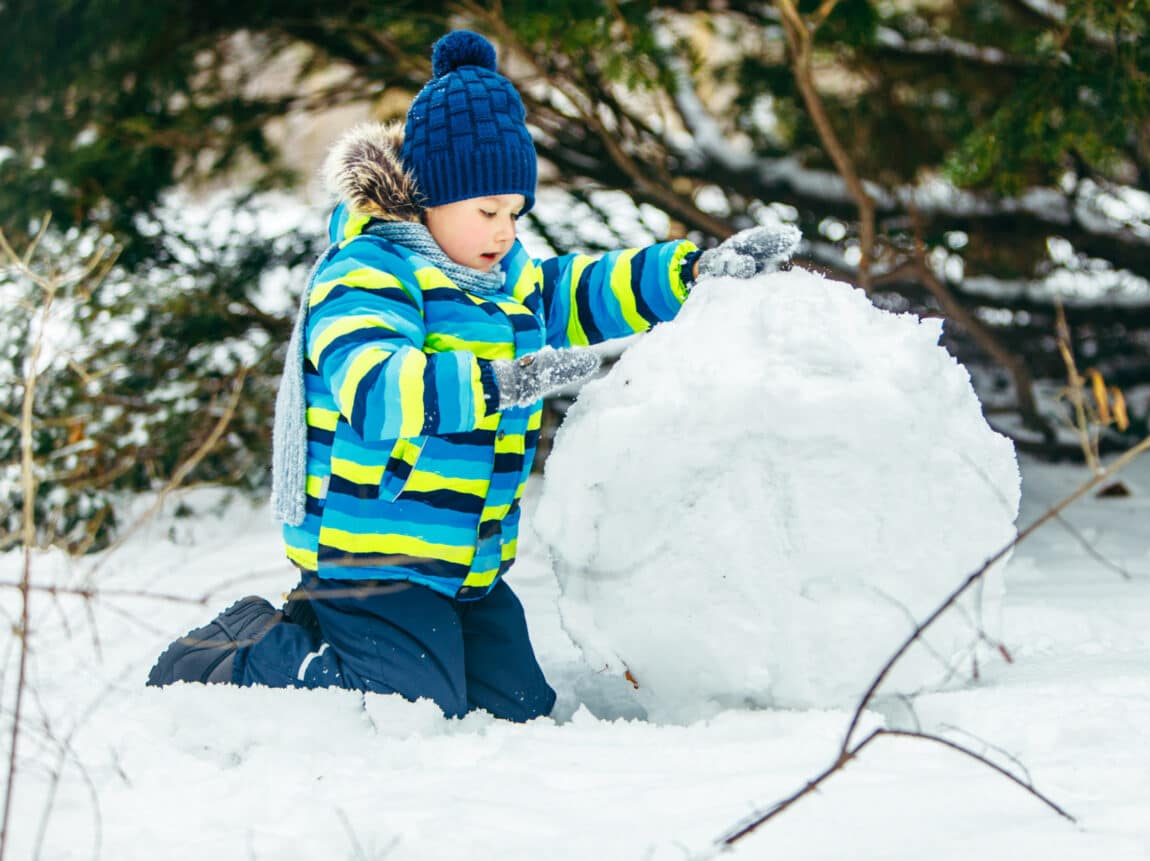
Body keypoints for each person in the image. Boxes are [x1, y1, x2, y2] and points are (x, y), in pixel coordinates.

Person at [146, 30, 800, 721]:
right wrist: (500, 383)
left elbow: (580, 289)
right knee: (409, 704)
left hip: (467, 566)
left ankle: (355, 634)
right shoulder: (368, 272)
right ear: (430, 197)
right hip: (374, 557)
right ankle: (240, 651)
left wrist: (690, 274)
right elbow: (373, 387)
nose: (505, 231)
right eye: (487, 212)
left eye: (515, 213)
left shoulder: (504, 278)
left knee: (516, 707)